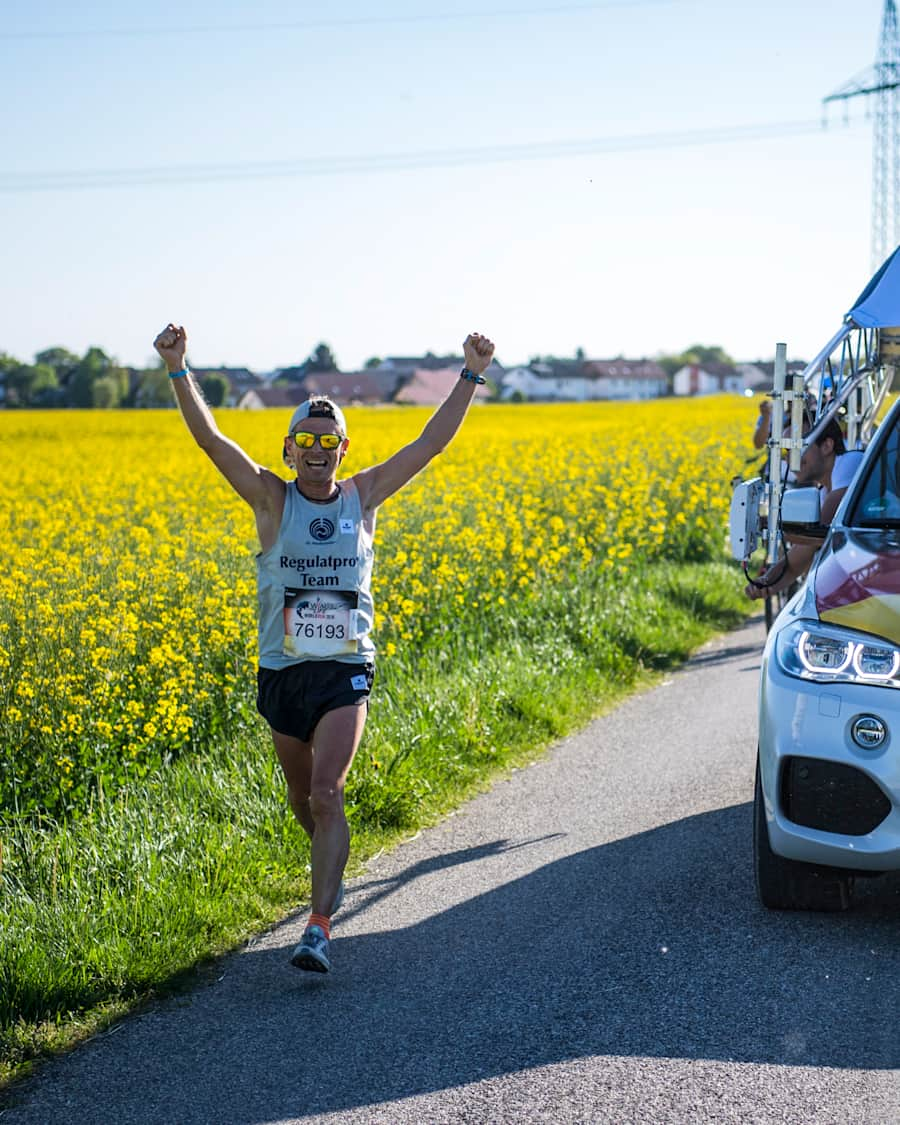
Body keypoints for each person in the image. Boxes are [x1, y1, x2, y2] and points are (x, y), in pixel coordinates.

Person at [152, 323, 495, 973]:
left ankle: (317, 926)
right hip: (282, 669)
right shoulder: (268, 497)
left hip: (344, 667)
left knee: (326, 791)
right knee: (301, 796)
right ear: (288, 449)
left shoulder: (363, 496)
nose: (317, 449)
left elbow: (429, 444)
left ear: (342, 448)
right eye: (305, 440)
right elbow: (211, 440)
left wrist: (471, 374)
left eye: (327, 440)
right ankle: (330, 862)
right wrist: (178, 367)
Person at [745, 416, 865, 601]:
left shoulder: (850, 464)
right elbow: (797, 560)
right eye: (786, 451)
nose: (788, 458)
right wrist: (765, 583)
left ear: (827, 446)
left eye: (795, 447)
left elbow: (817, 535)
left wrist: (766, 525)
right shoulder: (825, 490)